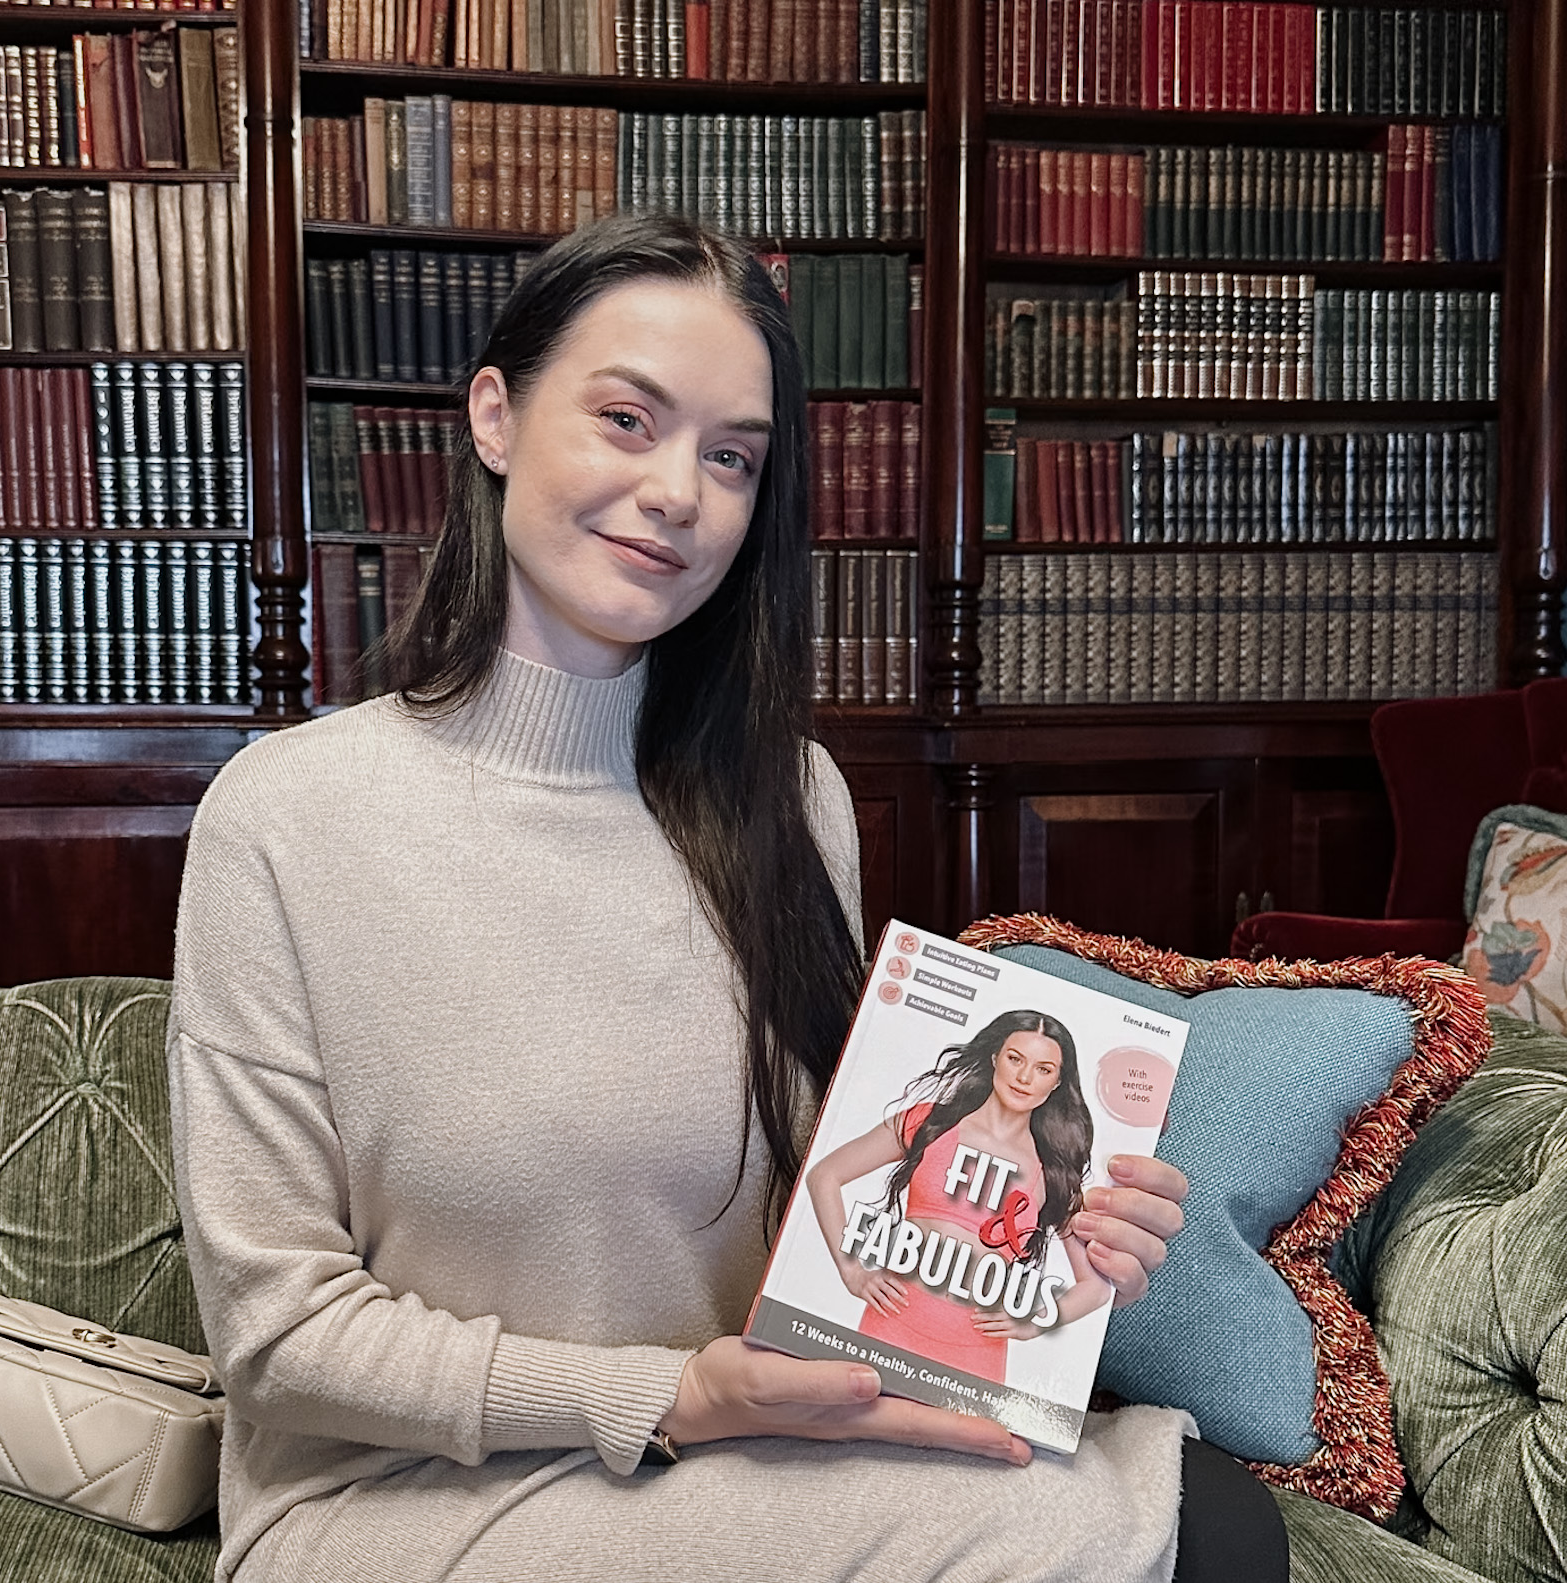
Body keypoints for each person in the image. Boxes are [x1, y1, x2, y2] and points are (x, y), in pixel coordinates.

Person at [167, 211, 1285, 1583]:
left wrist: (1050, 1254)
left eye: (733, 456)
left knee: (1195, 1506)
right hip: (393, 1503)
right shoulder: (283, 817)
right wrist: (670, 1396)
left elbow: (835, 1240)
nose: (680, 491)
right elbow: (278, 1338)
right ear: (495, 415)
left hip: (724, 1459)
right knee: (1174, 1533)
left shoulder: (792, 797)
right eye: (627, 418)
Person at [806, 1009, 1109, 1385]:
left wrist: (1035, 1320)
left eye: (1043, 1069)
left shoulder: (1052, 1170)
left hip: (976, 1355)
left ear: (1057, 1081)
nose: (1025, 1077)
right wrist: (851, 1270)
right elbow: (825, 1175)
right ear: (996, 1057)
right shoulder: (928, 1123)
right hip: (891, 1327)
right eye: (1015, 1059)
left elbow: (1095, 1287)